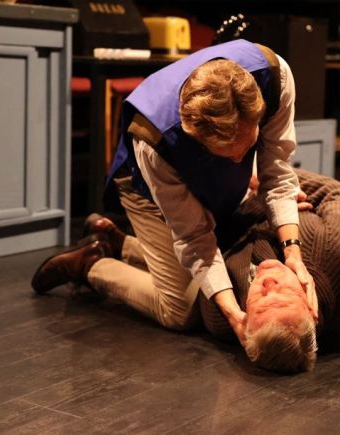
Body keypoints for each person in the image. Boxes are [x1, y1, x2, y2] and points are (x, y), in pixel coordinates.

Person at [33, 38, 315, 351]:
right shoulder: (155, 138)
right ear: (198, 138)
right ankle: (90, 264)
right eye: (228, 154)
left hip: (205, 175)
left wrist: (293, 253)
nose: (241, 161)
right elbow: (195, 237)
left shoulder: (276, 77)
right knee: (180, 308)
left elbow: (276, 174)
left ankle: (116, 242)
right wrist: (233, 314)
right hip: (143, 186)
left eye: (247, 147)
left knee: (206, 278)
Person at [32, 169, 340, 373]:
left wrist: (248, 209)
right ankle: (100, 257)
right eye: (285, 294)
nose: (269, 281)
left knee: (186, 305)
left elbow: (204, 252)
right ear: (311, 307)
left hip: (208, 212)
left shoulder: (225, 320)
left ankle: (104, 251)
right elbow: (339, 193)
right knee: (179, 308)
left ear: (245, 321)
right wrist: (276, 191)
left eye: (260, 299)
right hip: (209, 172)